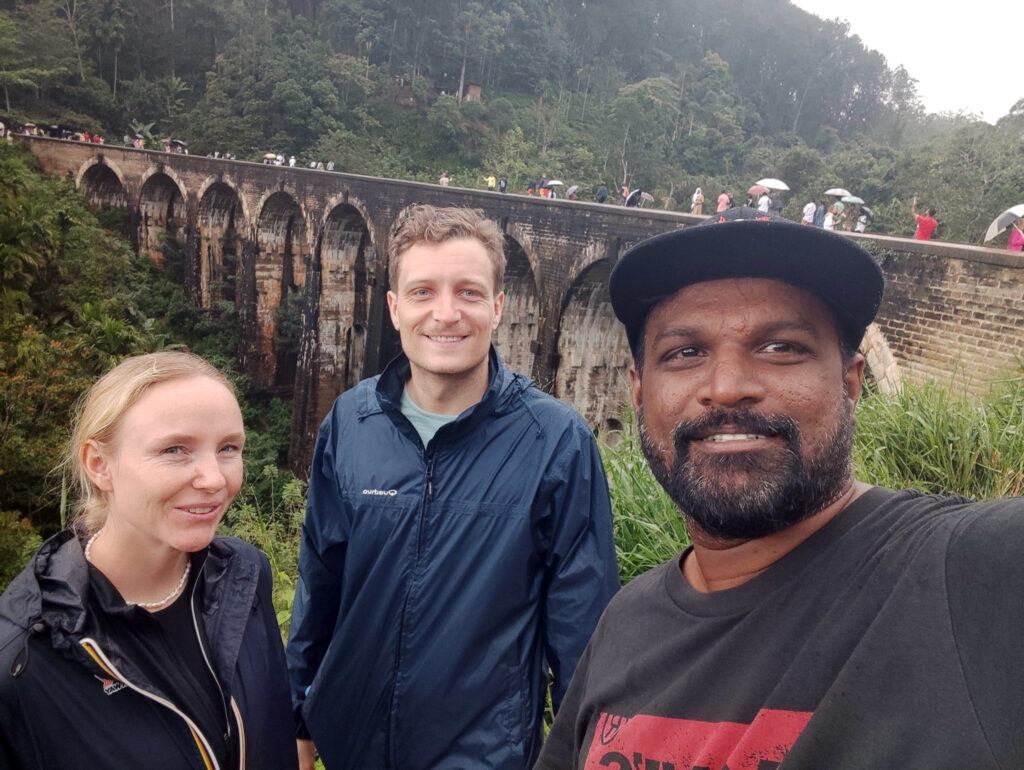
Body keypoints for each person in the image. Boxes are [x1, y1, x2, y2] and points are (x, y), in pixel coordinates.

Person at [537, 206, 1024, 769]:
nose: (727, 387)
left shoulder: (966, 576)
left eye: (781, 347)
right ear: (639, 393)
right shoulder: (624, 622)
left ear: (850, 383)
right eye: (685, 353)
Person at [287, 205, 619, 770]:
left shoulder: (556, 441)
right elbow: (320, 582)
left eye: (468, 292)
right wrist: (297, 716)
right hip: (354, 748)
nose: (446, 314)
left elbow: (583, 633)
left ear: (498, 307)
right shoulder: (351, 420)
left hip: (483, 756)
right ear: (394, 308)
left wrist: (582, 757)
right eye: (423, 292)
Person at [0, 352, 296, 770]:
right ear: (99, 465)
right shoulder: (23, 657)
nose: (214, 479)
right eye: (175, 450)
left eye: (228, 448)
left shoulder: (245, 575)